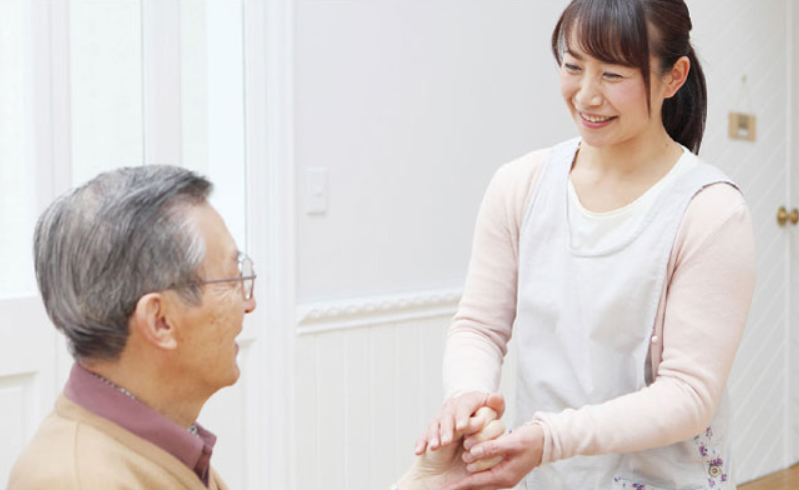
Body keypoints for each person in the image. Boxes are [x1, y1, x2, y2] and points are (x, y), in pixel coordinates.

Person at [416, 0, 756, 489]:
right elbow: (479, 326)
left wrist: (550, 438)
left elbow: (687, 394)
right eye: (573, 66)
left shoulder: (709, 211)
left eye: (614, 75)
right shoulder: (521, 185)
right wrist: (467, 396)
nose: (586, 95)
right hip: (547, 476)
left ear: (673, 77)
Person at [6, 165, 506, 490]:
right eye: (231, 277)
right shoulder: (78, 479)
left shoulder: (155, 441)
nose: (250, 304)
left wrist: (425, 484)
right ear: (159, 320)